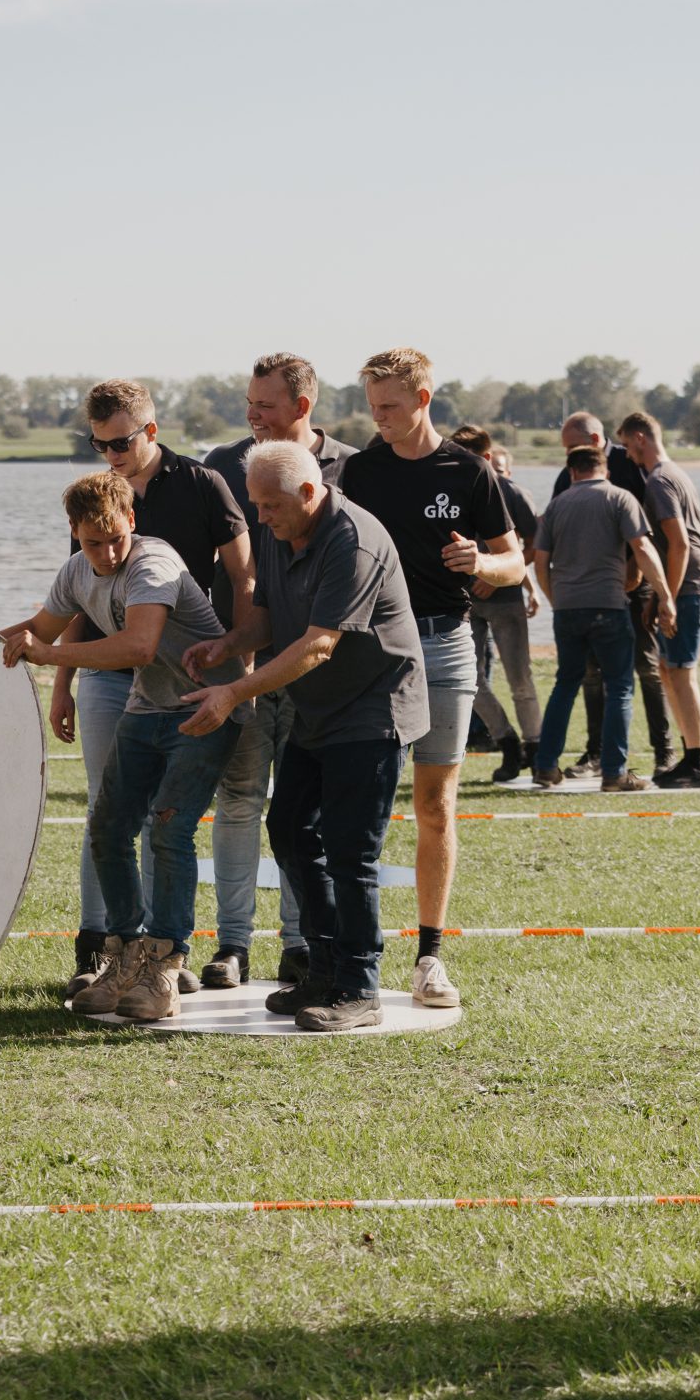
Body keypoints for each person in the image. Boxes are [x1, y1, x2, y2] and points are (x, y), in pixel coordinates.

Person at [180, 441, 427, 1033]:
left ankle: (359, 985)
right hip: (318, 712)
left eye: (269, 506)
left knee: (350, 850)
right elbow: (266, 616)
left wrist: (233, 692)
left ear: (310, 493)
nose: (259, 517)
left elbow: (320, 644)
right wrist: (227, 646)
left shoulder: (353, 540)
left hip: (372, 712)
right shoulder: (276, 525)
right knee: (289, 829)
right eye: (256, 505)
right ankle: (320, 969)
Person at [1, 470, 233, 1022]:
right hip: (147, 709)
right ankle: (123, 958)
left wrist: (49, 658)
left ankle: (165, 966)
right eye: (92, 542)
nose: (106, 553)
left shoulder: (153, 563)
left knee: (170, 827)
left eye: (115, 538)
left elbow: (140, 645)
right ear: (75, 535)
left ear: (132, 520)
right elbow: (36, 629)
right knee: (107, 829)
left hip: (206, 707)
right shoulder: (76, 572)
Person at [54, 379, 260, 992]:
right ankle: (103, 952)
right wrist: (62, 680)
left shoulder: (202, 485)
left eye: (120, 441)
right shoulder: (95, 502)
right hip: (111, 676)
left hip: (189, 676)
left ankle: (173, 954)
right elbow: (77, 597)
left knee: (172, 822)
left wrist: (241, 668)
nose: (111, 453)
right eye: (99, 444)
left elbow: (244, 579)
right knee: (108, 815)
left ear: (150, 430)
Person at [337, 348, 523, 1010]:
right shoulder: (359, 471)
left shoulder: (468, 471)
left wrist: (483, 562)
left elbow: (515, 563)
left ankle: (429, 957)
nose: (379, 419)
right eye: (372, 408)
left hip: (447, 646)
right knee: (363, 807)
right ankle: (350, 955)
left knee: (435, 809)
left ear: (423, 398)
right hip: (375, 653)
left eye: (390, 406)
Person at [204, 353, 356, 983]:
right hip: (243, 662)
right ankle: (232, 946)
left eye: (264, 405)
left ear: (301, 407)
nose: (252, 415)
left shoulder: (353, 467)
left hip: (313, 675)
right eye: (249, 402)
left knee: (302, 811)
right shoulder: (222, 466)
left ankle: (299, 944)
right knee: (237, 801)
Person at [526, 446, 676, 791]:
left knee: (566, 684)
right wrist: (665, 595)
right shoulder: (621, 499)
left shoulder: (557, 505)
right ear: (604, 469)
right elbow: (643, 549)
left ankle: (545, 767)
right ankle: (614, 772)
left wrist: (553, 598)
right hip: (608, 605)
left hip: (567, 609)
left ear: (572, 470)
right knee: (620, 686)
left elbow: (541, 561)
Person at [617, 412, 700, 788]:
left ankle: (698, 764)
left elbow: (678, 544)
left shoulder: (660, 481)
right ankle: (688, 756)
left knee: (681, 672)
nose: (628, 455)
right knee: (666, 669)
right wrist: (656, 596)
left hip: (691, 583)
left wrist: (668, 598)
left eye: (629, 446)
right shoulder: (674, 473)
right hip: (690, 582)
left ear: (642, 438)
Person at [452, 426, 542, 783]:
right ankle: (506, 741)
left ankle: (536, 750)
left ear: (485, 458)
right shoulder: (451, 490)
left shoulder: (510, 492)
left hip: (505, 600)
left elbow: (534, 544)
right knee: (471, 681)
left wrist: (502, 574)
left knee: (520, 678)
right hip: (464, 601)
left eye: (465, 457)